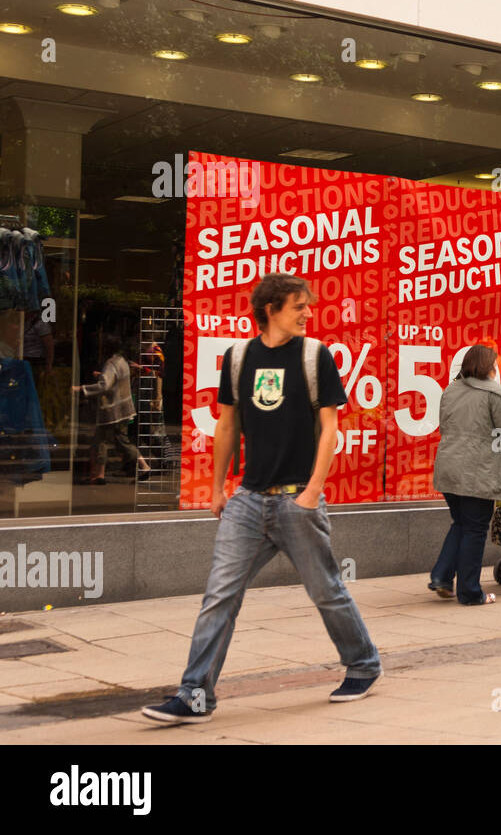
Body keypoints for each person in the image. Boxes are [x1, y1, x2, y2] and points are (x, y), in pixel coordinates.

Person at [142, 273, 381, 724]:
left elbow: (330, 428)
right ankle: (195, 696)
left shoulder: (314, 356)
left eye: (307, 306)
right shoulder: (238, 358)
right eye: (299, 306)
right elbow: (227, 425)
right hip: (249, 501)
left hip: (297, 499)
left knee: (327, 591)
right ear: (271, 309)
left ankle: (364, 664)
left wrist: (313, 490)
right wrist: (217, 488)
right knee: (220, 595)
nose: (308, 314)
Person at [429, 343, 501, 605]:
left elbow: (447, 426)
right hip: (477, 473)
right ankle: (470, 593)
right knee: (474, 529)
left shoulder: (451, 390)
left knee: (461, 524)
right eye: (495, 364)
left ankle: (442, 577)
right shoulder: (495, 394)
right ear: (489, 367)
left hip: (449, 469)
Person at [73, 333, 150, 484]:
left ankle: (100, 475)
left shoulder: (111, 363)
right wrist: (102, 375)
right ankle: (102, 474)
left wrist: (81, 388)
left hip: (113, 410)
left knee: (104, 441)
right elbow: (113, 380)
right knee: (117, 440)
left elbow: (104, 385)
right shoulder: (122, 361)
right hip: (122, 409)